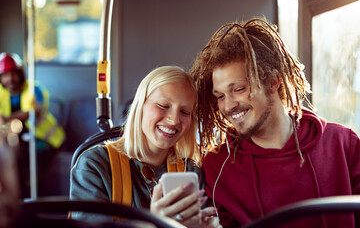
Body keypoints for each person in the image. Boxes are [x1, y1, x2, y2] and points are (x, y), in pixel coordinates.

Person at [190, 18, 360, 227]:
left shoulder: (343, 143)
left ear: (273, 82)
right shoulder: (217, 166)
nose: (228, 106)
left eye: (239, 89)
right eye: (220, 96)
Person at [70, 66, 220, 227]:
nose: (174, 120)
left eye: (184, 112)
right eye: (163, 105)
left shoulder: (190, 170)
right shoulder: (94, 165)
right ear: (140, 106)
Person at [0, 52, 66, 197]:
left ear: (20, 73)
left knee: (33, 164)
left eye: (13, 74)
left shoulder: (33, 89)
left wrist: (7, 118)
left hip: (45, 139)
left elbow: (35, 111)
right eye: (5, 75)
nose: (10, 79)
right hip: (16, 140)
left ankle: (38, 199)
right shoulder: (1, 93)